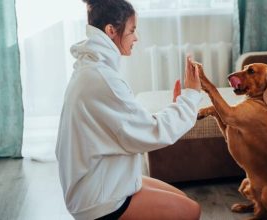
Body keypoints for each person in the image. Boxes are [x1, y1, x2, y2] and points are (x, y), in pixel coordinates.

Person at [55, 0, 202, 219]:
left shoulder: (93, 69)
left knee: (182, 199)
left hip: (100, 178)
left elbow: (132, 124)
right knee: (191, 211)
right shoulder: (102, 79)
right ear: (111, 30)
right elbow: (152, 132)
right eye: (132, 30)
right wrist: (190, 96)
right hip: (98, 197)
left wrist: (176, 105)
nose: (136, 38)